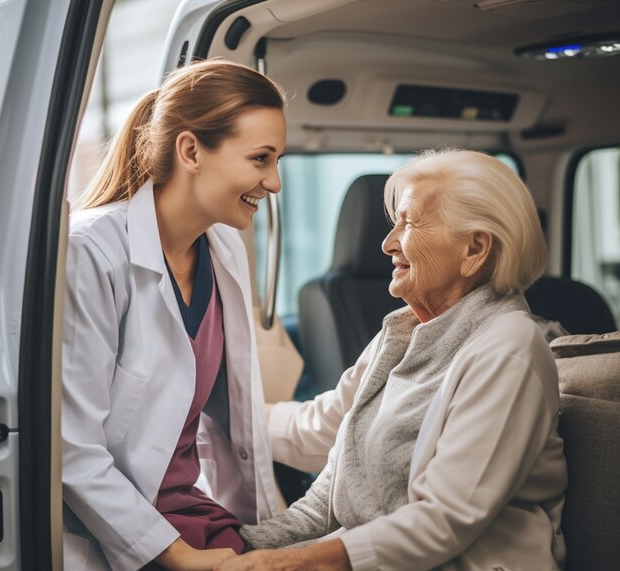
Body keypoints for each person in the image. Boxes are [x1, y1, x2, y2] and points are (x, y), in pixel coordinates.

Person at [219, 149, 568, 571]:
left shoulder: (510, 349)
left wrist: (285, 564)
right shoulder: (400, 334)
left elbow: (443, 520)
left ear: (474, 248)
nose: (387, 244)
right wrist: (239, 546)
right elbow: (329, 480)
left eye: (409, 223)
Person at [62, 59, 286, 570]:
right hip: (112, 524)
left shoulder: (224, 249)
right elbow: (71, 447)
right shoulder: (92, 252)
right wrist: (182, 558)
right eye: (260, 158)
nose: (273, 182)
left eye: (278, 161)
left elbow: (231, 425)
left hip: (184, 512)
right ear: (190, 151)